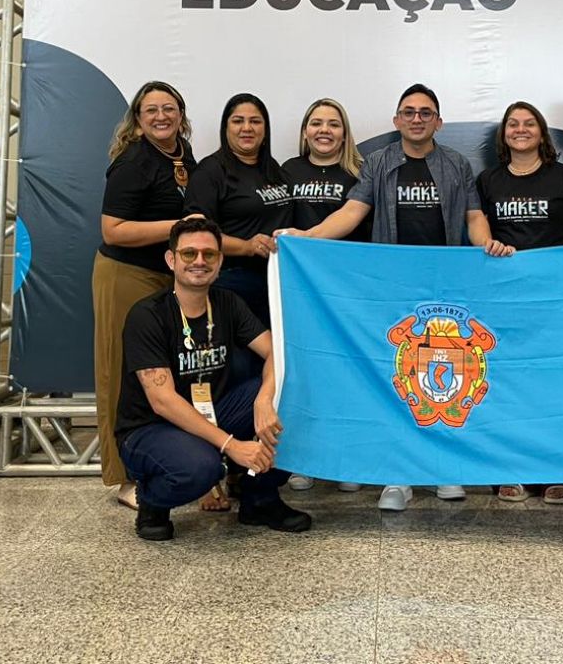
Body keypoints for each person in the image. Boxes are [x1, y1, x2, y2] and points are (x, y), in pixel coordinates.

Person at [284, 83, 511, 511]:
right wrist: (307, 238)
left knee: (448, 380)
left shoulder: (457, 164)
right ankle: (397, 474)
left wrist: (487, 246)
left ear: (438, 122)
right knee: (400, 377)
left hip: (444, 287)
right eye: (409, 112)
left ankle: (444, 470)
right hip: (392, 289)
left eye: (425, 113)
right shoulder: (379, 162)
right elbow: (353, 212)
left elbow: (474, 216)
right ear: (396, 120)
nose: (417, 119)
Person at [116, 216, 312, 541]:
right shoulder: (147, 315)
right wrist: (231, 445)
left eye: (209, 254)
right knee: (202, 468)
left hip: (213, 410)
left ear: (220, 261)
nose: (199, 261)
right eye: (189, 253)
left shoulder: (227, 303)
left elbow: (277, 353)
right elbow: (162, 401)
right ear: (171, 260)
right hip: (151, 427)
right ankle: (152, 499)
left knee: (291, 398)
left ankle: (259, 499)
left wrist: (265, 400)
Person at [476, 100, 563, 505]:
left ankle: (562, 475)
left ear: (542, 132)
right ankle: (509, 472)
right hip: (505, 300)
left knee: (556, 386)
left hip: (555, 300)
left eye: (529, 123)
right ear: (504, 134)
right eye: (513, 124)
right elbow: (478, 229)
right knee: (507, 386)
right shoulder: (487, 181)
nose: (521, 129)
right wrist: (488, 244)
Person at [92, 81, 196, 511]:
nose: (160, 116)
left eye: (168, 108)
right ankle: (123, 477)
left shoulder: (182, 156)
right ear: (137, 119)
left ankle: (162, 463)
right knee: (121, 374)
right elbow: (112, 230)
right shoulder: (133, 161)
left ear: (181, 115)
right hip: (125, 274)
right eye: (151, 110)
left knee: (163, 376)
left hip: (164, 278)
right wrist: (179, 226)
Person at [281, 98, 368, 494]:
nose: (324, 130)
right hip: (299, 290)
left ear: (344, 133)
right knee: (305, 373)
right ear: (305, 131)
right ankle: (304, 460)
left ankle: (348, 459)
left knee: (347, 374)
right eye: (316, 123)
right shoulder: (286, 171)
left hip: (345, 292)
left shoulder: (359, 172)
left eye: (333, 124)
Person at [184, 93, 292, 330]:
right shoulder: (210, 172)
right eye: (238, 121)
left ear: (265, 129)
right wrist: (247, 246)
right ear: (226, 128)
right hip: (232, 282)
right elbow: (196, 234)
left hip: (275, 282)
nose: (247, 128)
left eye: (255, 121)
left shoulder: (273, 169)